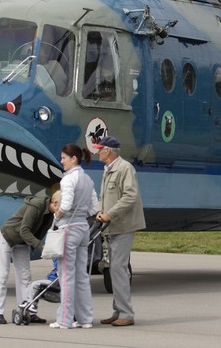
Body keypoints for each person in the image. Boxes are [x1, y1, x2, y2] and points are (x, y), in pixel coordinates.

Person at [94, 136, 146, 327]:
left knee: (118, 268)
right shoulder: (108, 170)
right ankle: (118, 311)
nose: (98, 152)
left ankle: (126, 314)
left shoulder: (124, 168)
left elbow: (130, 196)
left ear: (108, 151)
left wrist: (110, 214)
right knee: (115, 269)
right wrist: (100, 210)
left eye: (100, 149)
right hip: (111, 226)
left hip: (123, 225)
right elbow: (103, 195)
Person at [50, 144, 100, 329]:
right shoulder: (88, 180)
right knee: (81, 276)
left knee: (66, 275)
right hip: (83, 228)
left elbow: (65, 205)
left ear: (74, 159)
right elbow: (95, 207)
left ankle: (64, 319)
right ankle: (86, 318)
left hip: (68, 229)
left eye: (64, 158)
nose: (61, 161)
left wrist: (57, 214)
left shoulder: (68, 180)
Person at [0, 190, 56, 324]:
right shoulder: (36, 205)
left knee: (25, 276)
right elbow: (24, 230)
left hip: (23, 242)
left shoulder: (52, 214)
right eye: (60, 208)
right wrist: (41, 247)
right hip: (8, 236)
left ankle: (27, 311)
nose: (62, 211)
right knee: (1, 275)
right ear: (54, 203)